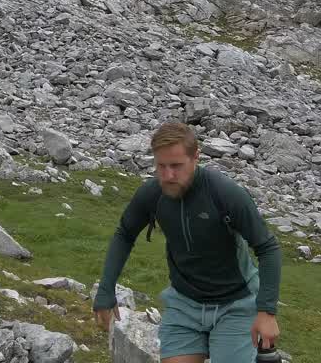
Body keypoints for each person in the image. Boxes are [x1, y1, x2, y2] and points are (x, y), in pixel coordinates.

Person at [93, 121, 282, 362]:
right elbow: (125, 234)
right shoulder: (152, 194)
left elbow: (267, 248)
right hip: (184, 304)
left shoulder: (224, 193)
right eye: (161, 166)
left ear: (196, 158)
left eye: (176, 166)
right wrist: (106, 289)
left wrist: (266, 311)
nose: (168, 175)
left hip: (235, 305)